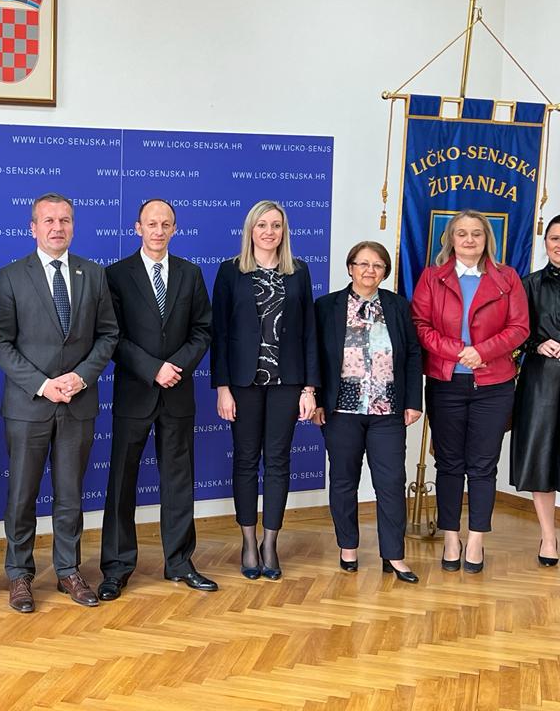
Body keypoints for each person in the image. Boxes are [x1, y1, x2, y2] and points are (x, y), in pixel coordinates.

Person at [0, 192, 118, 612]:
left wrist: (81, 377)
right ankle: (19, 574)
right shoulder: (12, 276)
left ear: (73, 226)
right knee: (21, 496)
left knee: (70, 495)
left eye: (65, 220)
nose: (57, 227)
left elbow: (108, 335)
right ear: (33, 228)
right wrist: (43, 384)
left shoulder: (93, 274)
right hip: (29, 405)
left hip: (78, 402)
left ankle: (68, 570)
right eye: (49, 220)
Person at [98, 198, 216, 600]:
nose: (159, 230)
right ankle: (116, 567)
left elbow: (202, 330)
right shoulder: (116, 275)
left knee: (179, 481)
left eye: (166, 224)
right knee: (121, 482)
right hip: (135, 392)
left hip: (178, 393)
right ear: (138, 228)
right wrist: (153, 369)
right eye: (152, 224)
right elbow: (112, 336)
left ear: (174, 229)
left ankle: (180, 562)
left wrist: (174, 367)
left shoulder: (190, 273)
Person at [412, 209, 528, 574]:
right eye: (461, 233)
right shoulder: (432, 277)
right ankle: (451, 537)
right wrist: (458, 351)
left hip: (494, 385)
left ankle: (476, 539)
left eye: (476, 233)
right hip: (446, 383)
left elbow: (520, 328)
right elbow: (420, 325)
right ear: (450, 239)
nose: (469, 240)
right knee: (448, 464)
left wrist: (483, 352)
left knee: (482, 465)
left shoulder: (508, 278)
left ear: (486, 239)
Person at [211, 199, 319, 580]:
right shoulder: (230, 271)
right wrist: (222, 388)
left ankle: (270, 543)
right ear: (250, 231)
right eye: (262, 225)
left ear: (284, 231)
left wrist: (309, 389)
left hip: (287, 383)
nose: (269, 232)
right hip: (243, 384)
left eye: (276, 225)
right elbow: (219, 334)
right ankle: (247, 541)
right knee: (245, 460)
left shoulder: (299, 272)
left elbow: (309, 332)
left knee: (277, 461)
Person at [313, 241, 422, 583]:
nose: (369, 270)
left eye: (377, 265)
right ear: (350, 268)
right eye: (362, 264)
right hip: (340, 410)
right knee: (344, 481)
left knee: (391, 482)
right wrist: (315, 399)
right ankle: (348, 547)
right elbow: (313, 355)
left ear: (385, 272)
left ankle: (394, 555)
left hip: (387, 410)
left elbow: (413, 353)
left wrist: (413, 401)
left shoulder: (397, 306)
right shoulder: (326, 306)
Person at [510, 214, 560, 566]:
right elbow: (515, 332)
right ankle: (548, 537)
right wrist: (536, 344)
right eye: (555, 238)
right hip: (542, 382)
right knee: (542, 458)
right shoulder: (528, 285)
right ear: (546, 243)